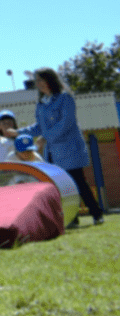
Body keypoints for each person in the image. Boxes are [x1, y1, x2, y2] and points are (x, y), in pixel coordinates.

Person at [15, 68, 105, 225]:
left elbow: (65, 123)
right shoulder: (41, 104)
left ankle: (97, 214)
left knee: (78, 182)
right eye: (37, 81)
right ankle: (72, 218)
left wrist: (44, 138)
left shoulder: (65, 98)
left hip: (70, 149)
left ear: (51, 80)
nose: (39, 84)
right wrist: (17, 132)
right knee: (62, 187)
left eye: (42, 79)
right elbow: (39, 127)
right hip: (54, 153)